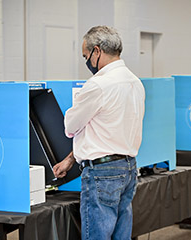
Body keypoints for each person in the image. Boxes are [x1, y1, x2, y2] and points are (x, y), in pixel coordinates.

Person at [52, 26, 145, 239]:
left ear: (97, 51)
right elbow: (106, 132)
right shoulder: (135, 82)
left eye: (86, 56)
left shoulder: (98, 85)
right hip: (128, 168)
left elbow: (70, 126)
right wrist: (70, 159)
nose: (86, 62)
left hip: (102, 174)